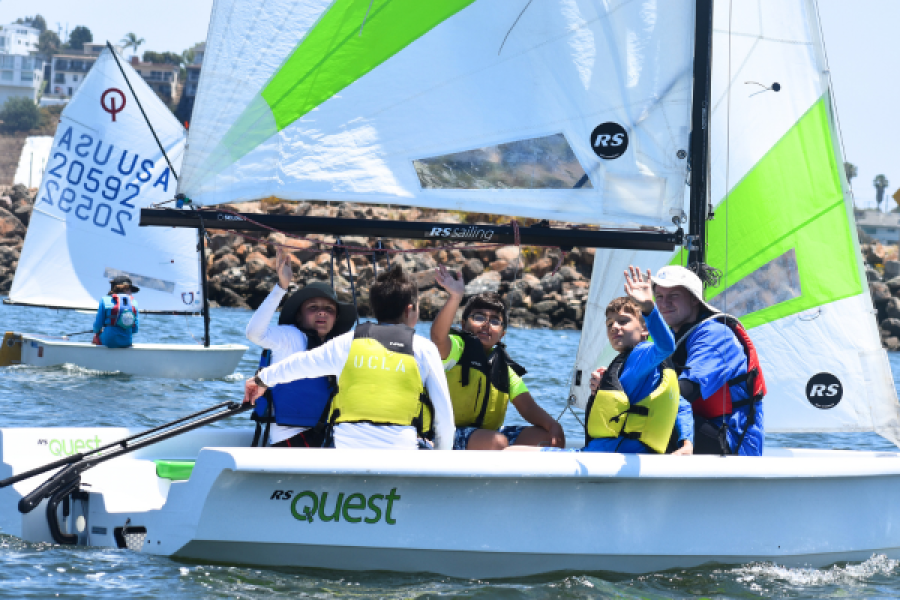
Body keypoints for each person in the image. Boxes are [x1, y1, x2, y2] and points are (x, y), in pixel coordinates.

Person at [244, 264, 455, 450]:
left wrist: (262, 379)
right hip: (401, 449)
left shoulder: (346, 342)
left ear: (374, 308)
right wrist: (440, 459)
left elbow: (298, 365)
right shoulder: (425, 349)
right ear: (411, 310)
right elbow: (444, 419)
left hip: (346, 449)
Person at [431, 265, 565, 450]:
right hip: (446, 434)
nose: (486, 324)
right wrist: (455, 297)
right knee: (497, 441)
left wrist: (553, 426)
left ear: (502, 333)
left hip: (485, 435)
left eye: (495, 321)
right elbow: (438, 338)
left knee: (547, 437)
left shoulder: (503, 368)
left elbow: (527, 408)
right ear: (463, 324)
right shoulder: (456, 348)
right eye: (478, 317)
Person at [245, 246, 357, 448]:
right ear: (299, 315)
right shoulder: (290, 336)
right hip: (287, 441)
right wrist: (281, 287)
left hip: (326, 440)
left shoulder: (340, 346)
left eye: (328, 309)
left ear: (336, 318)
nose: (321, 313)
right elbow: (254, 333)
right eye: (313, 308)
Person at [650, 265, 766, 456]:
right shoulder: (671, 338)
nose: (664, 303)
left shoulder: (716, 335)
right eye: (660, 297)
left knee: (648, 418)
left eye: (674, 295)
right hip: (697, 427)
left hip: (732, 442)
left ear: (695, 298)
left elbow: (684, 392)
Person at [582, 267, 679, 453]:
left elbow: (666, 346)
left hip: (615, 455)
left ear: (645, 330)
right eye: (610, 324)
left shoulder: (643, 353)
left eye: (623, 321)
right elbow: (682, 406)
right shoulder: (630, 361)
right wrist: (686, 443)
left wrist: (649, 309)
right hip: (607, 452)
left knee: (517, 452)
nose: (614, 327)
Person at [92, 275, 139, 348]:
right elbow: (135, 329)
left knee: (96, 337)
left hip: (108, 340)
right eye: (130, 290)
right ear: (126, 289)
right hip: (127, 341)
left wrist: (97, 332)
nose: (131, 293)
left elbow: (97, 326)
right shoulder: (134, 303)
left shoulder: (104, 300)